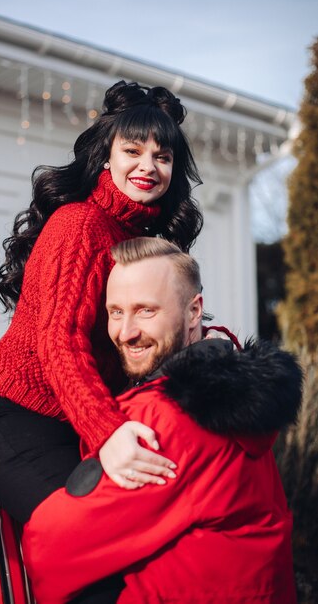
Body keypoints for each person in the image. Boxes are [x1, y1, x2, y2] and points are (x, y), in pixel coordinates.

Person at [0, 80, 205, 526]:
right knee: (88, 533)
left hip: (67, 416)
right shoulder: (81, 224)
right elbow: (59, 340)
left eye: (162, 157)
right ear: (107, 156)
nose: (148, 166)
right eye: (133, 151)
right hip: (5, 410)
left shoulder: (140, 241)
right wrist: (108, 433)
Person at [22, 237, 302, 604]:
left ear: (193, 311)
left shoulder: (162, 420)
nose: (125, 332)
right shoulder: (239, 387)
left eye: (146, 311)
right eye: (116, 312)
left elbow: (48, 546)